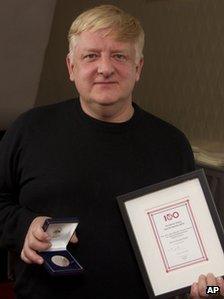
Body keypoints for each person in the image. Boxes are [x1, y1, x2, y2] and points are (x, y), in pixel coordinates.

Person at [0, 4, 223, 299]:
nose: (105, 68)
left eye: (119, 56)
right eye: (91, 56)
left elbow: (200, 273)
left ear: (138, 68)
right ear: (71, 66)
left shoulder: (172, 144)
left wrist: (208, 290)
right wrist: (23, 227)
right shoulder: (29, 129)